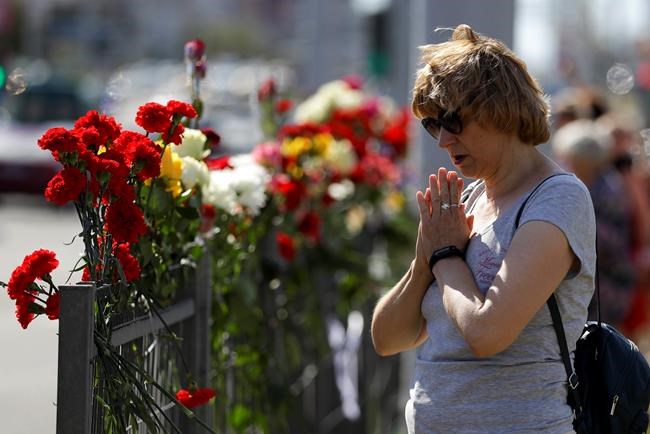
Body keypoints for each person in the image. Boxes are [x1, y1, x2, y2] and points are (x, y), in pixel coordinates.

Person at [370, 24, 596, 433]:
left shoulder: (558, 198)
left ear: (500, 110)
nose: (442, 140)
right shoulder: (470, 201)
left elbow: (487, 333)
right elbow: (388, 339)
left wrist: (445, 255)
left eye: (452, 121)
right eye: (432, 125)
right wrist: (426, 259)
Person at [552, 119, 637, 329]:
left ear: (585, 161)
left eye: (568, 159)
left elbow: (605, 239)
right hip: (595, 282)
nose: (563, 164)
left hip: (607, 286)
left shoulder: (607, 189)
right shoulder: (589, 184)